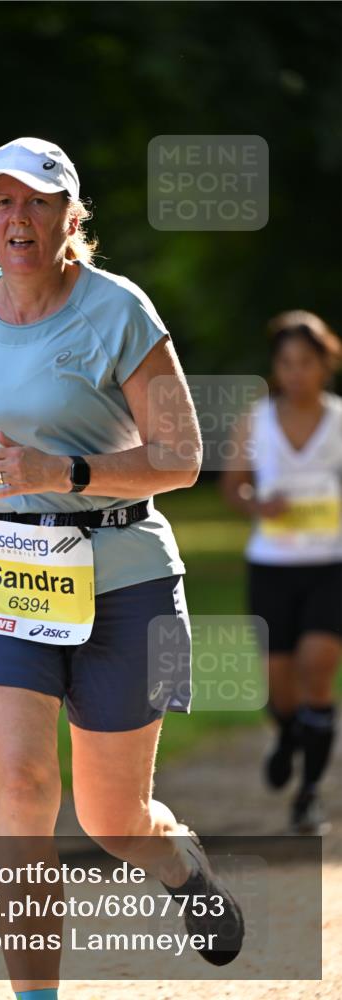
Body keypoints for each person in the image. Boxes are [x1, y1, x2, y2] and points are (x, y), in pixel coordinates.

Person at [0, 137, 245, 999]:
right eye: (0, 202)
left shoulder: (118, 309)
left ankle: (175, 858)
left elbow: (182, 456)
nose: (16, 218)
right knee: (24, 792)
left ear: (72, 218)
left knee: (111, 820)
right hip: (2, 574)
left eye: (35, 202)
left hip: (126, 570)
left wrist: (58, 472)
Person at [221, 310, 342, 834]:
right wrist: (255, 504)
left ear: (325, 365)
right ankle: (290, 734)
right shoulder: (255, 420)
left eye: (306, 362)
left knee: (317, 668)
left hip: (330, 566)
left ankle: (309, 793)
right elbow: (233, 486)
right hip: (271, 565)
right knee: (279, 685)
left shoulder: (340, 420)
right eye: (287, 363)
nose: (296, 373)